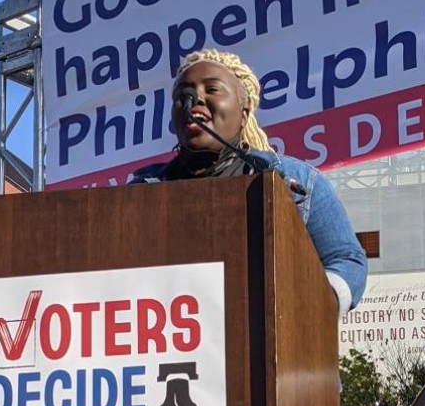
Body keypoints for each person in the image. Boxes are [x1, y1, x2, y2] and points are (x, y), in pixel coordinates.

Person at [132, 48, 367, 314]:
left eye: (212, 89)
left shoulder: (297, 182)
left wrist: (310, 310)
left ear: (244, 114)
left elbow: (346, 260)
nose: (194, 97)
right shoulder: (140, 192)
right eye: (183, 94)